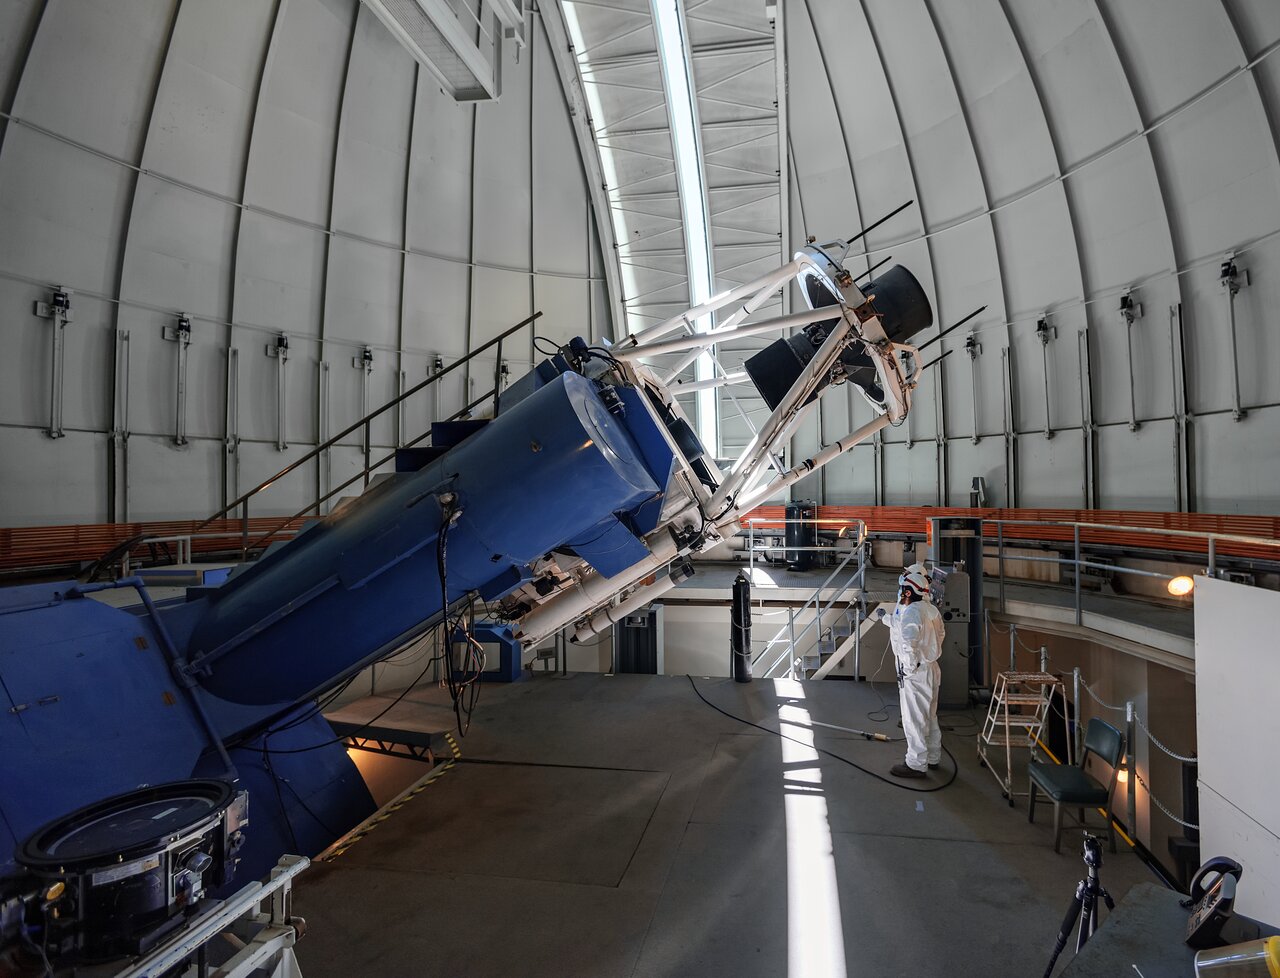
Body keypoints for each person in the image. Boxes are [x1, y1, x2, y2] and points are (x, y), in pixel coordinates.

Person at [882, 563, 945, 778]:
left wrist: (908, 669)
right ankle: (933, 757)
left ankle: (916, 764)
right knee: (930, 715)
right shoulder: (931, 610)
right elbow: (940, 636)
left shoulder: (912, 612)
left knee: (914, 719)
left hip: (916, 673)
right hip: (930, 669)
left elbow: (909, 642)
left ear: (909, 591)